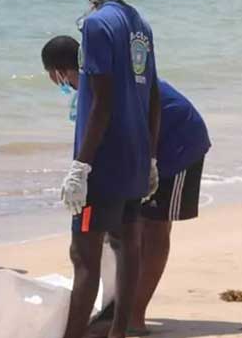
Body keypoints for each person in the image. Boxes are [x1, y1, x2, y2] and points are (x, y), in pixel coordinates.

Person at [42, 35, 211, 336]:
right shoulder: (91, 84)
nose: (58, 85)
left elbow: (131, 123)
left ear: (59, 71)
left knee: (156, 228)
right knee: (131, 229)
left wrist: (146, 164)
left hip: (178, 144)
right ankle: (121, 309)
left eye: (53, 78)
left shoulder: (100, 83)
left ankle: (135, 316)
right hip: (148, 147)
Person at [57, 0, 161, 338]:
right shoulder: (140, 24)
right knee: (127, 246)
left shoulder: (98, 25)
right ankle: (119, 331)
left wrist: (81, 166)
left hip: (103, 163)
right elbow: (151, 93)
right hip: (135, 158)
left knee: (83, 256)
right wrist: (150, 156)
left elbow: (100, 102)